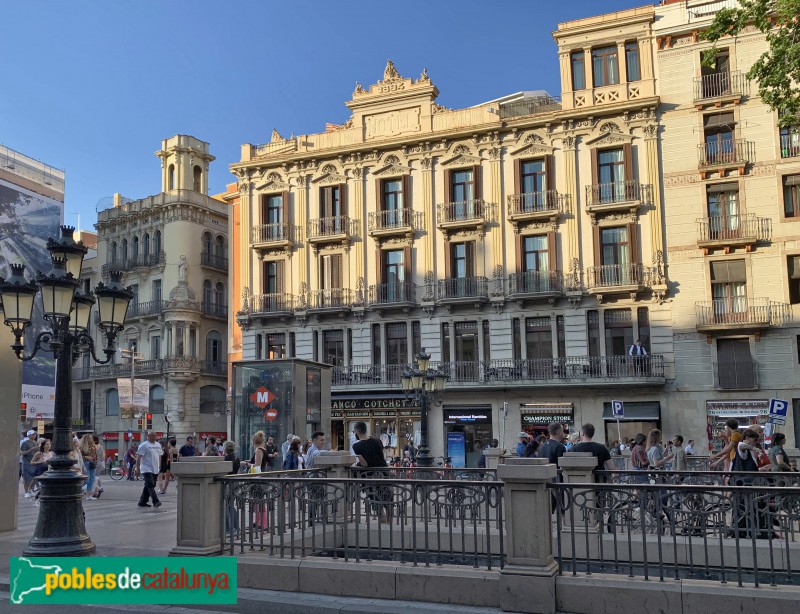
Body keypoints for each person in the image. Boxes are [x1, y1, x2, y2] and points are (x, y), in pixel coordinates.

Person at [351, 421, 391, 522]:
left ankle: (382, 519)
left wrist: (358, 463)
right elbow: (380, 456)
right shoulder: (377, 441)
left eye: (354, 431)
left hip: (370, 476)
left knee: (375, 498)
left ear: (357, 431)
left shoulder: (356, 446)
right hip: (383, 472)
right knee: (386, 496)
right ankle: (389, 519)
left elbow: (365, 464)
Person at [136, 431, 163, 508]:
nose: (154, 437)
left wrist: (159, 465)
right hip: (146, 468)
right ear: (148, 436)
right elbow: (138, 458)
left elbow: (160, 455)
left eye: (155, 435)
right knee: (150, 484)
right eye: (152, 435)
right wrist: (137, 469)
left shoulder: (158, 445)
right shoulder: (144, 445)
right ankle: (156, 501)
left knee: (149, 485)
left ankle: (142, 501)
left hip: (155, 468)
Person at [223, 440, 241, 535]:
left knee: (225, 506)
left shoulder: (226, 459)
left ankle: (228, 529)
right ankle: (236, 527)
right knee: (231, 506)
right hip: (235, 483)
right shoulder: (236, 458)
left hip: (227, 484)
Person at [19, 430, 38, 497]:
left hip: (33, 462)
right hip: (26, 462)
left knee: (33, 477)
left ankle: (31, 490)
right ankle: (26, 492)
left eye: (35, 434)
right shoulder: (25, 443)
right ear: (29, 435)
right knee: (26, 477)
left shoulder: (36, 443)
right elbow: (22, 453)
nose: (34, 436)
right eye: (33, 434)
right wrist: (31, 450)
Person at [80, 433, 98, 499]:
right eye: (90, 438)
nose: (91, 439)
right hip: (86, 463)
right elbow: (80, 456)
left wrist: (95, 460)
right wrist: (87, 457)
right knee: (87, 478)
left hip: (92, 463)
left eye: (91, 438)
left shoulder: (93, 446)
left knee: (92, 479)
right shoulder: (82, 447)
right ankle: (82, 491)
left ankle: (89, 495)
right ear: (86, 439)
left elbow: (95, 455)